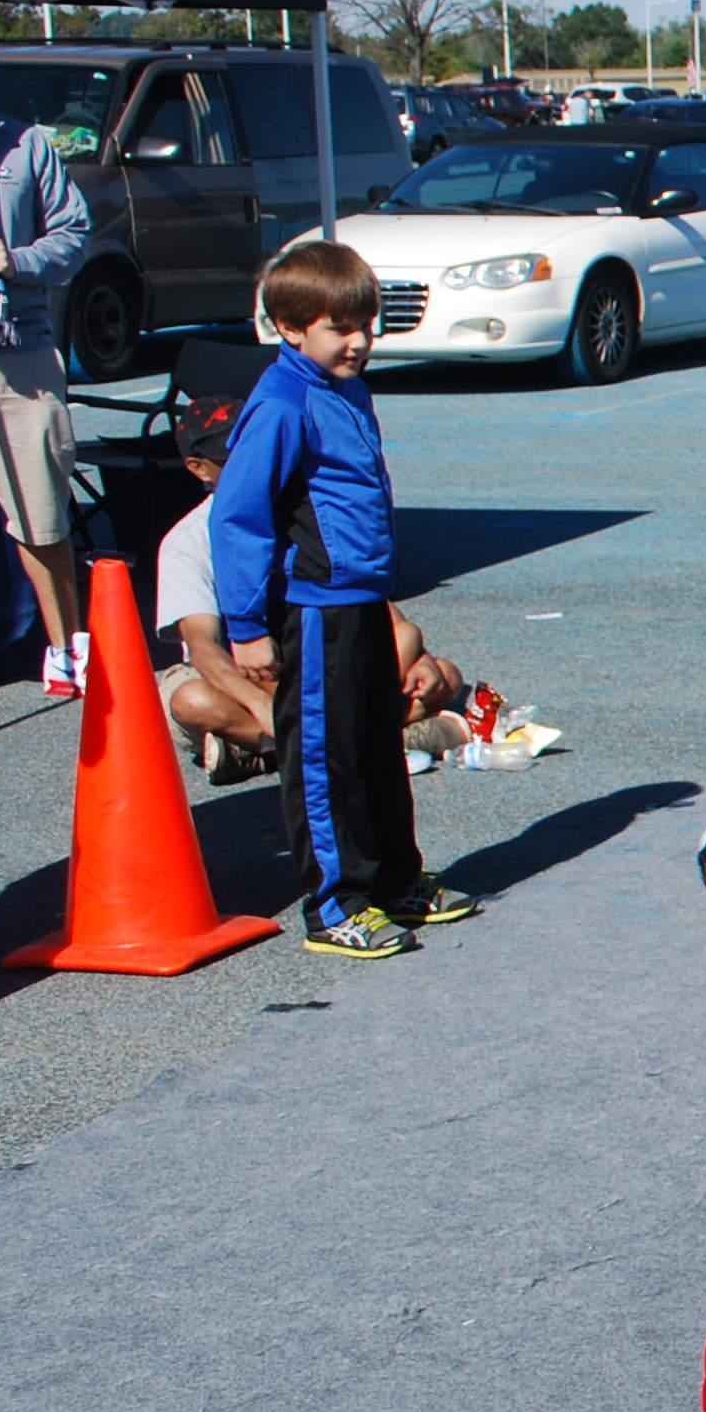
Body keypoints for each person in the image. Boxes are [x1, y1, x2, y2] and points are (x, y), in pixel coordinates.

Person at [212, 242, 479, 959]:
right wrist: (246, 626)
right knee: (327, 758)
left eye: (368, 324)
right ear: (291, 328)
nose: (359, 341)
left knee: (376, 746)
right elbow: (237, 518)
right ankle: (335, 903)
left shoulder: (348, 388)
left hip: (361, 598)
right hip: (315, 605)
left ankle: (396, 881)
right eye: (340, 328)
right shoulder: (281, 403)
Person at [156, 384, 470, 785]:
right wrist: (258, 705)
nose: (250, 466)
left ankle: (276, 752)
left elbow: (366, 600)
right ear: (199, 468)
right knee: (192, 701)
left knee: (436, 666)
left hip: (310, 662)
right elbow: (202, 646)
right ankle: (380, 738)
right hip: (239, 673)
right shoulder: (189, 541)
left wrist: (420, 656)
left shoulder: (302, 511)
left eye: (254, 451)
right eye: (230, 460)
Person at [0, 0, 95, 699]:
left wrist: (20, 259)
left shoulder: (25, 141)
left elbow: (74, 235)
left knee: (41, 509)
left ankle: (68, 651)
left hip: (18, 350)